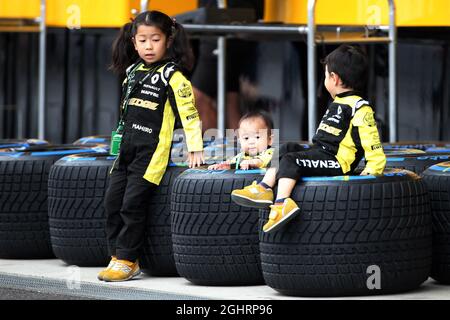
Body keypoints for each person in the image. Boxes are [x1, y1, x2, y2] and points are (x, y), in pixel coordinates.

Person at [231, 45, 386, 233]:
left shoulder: (360, 108)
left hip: (337, 162)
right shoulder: (338, 102)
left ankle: (282, 203)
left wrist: (371, 172)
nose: (325, 79)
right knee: (288, 147)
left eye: (326, 75)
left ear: (334, 78)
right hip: (321, 152)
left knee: (290, 160)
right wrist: (257, 161)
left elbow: (372, 143)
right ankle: (264, 188)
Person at [99, 11, 205, 282]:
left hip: (152, 153)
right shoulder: (131, 72)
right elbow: (125, 112)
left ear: (168, 40)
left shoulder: (174, 75)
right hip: (125, 151)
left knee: (132, 205)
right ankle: (116, 255)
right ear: (133, 42)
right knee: (113, 202)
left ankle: (127, 260)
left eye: (155, 39)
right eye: (142, 40)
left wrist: (195, 147)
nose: (148, 46)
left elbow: (190, 113)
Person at [191, 0, 264, 131]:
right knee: (230, 98)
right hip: (224, 19)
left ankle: (214, 147)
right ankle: (241, 148)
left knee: (197, 99)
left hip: (225, 19)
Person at [208, 110, 274, 170]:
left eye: (257, 137)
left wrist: (252, 162)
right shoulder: (241, 156)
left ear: (270, 140)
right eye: (246, 138)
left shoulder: (271, 153)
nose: (251, 142)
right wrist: (223, 166)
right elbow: (233, 164)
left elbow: (263, 161)